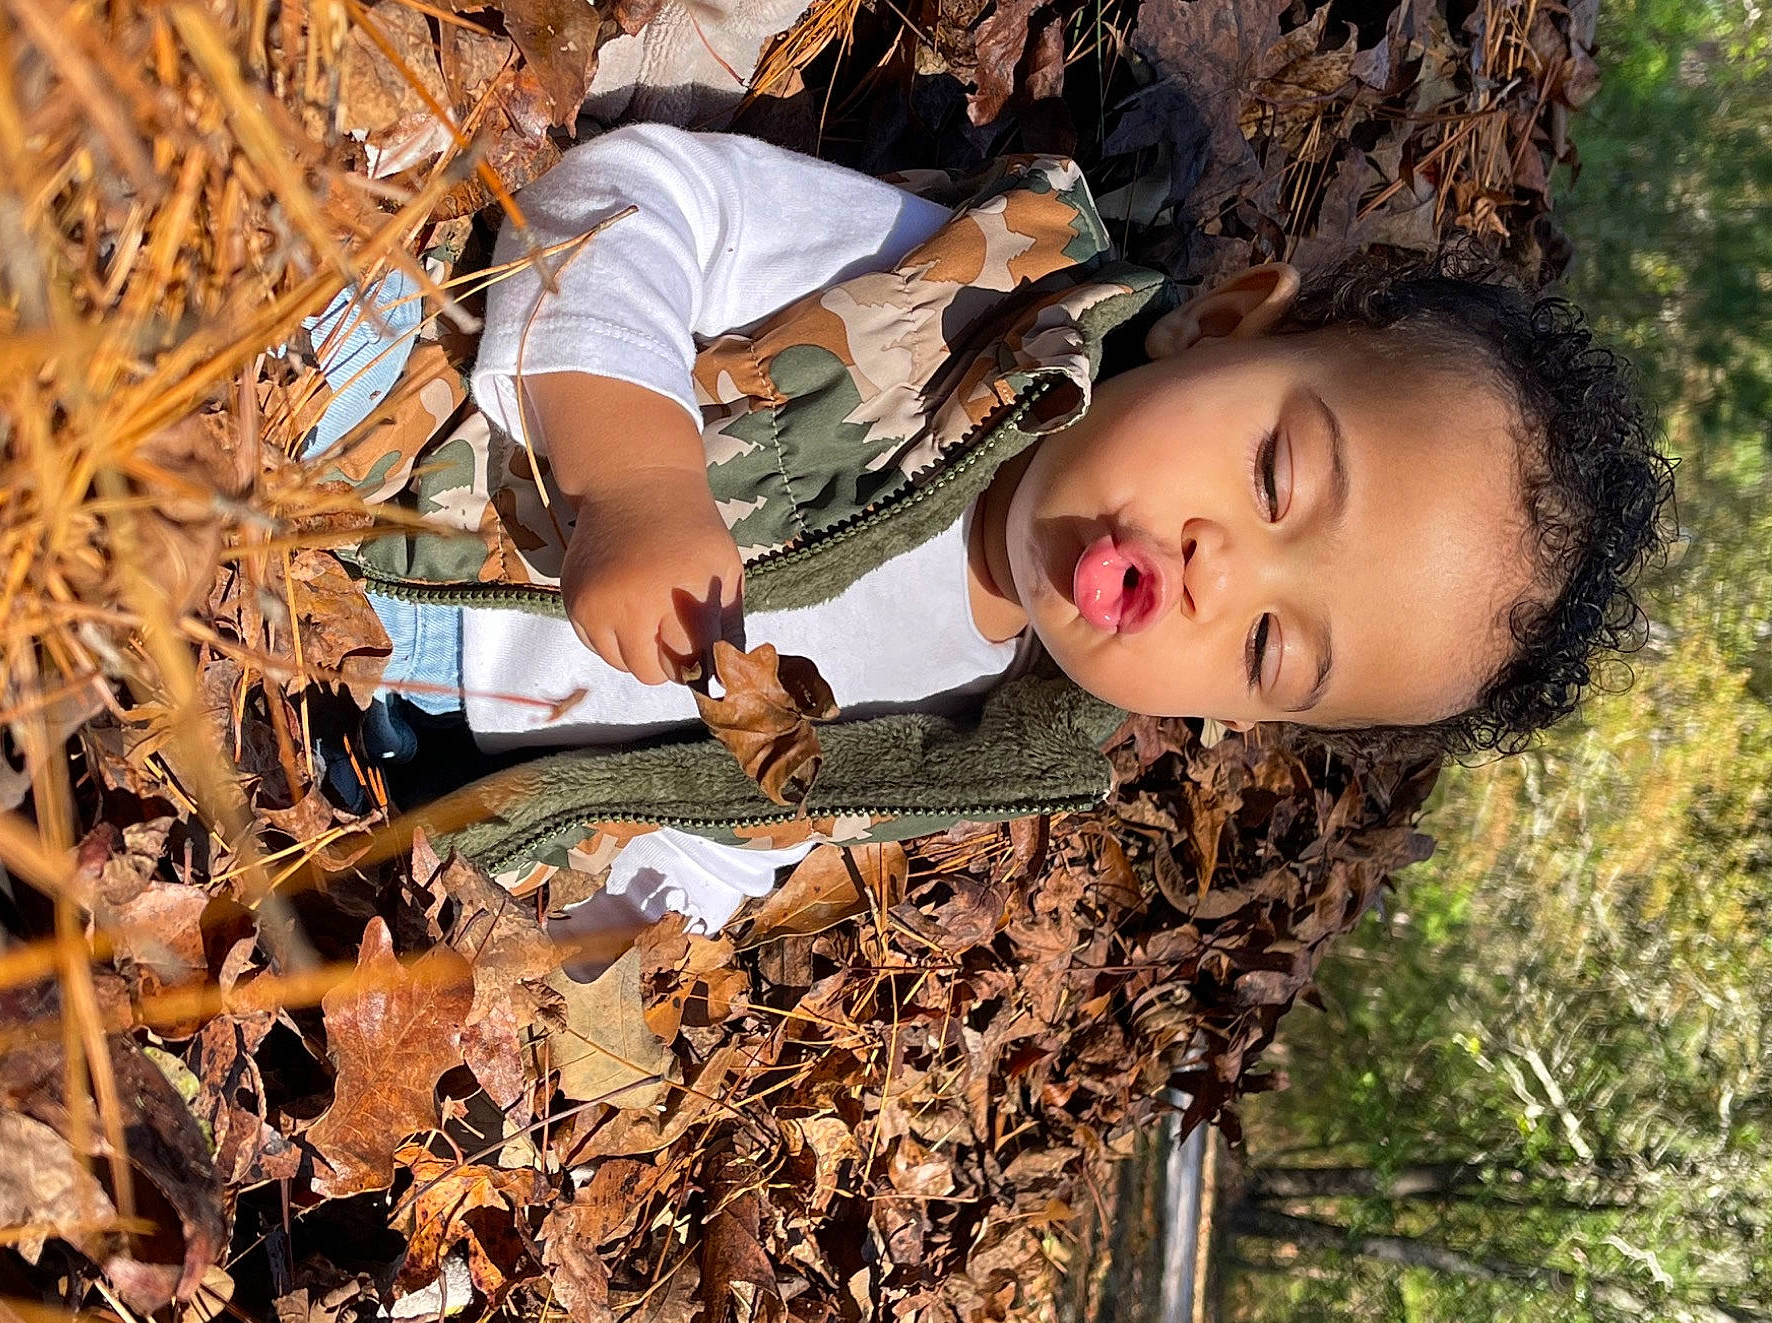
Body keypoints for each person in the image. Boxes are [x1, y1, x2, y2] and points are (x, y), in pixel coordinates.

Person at [298, 123, 1671, 949]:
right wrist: (638, 475)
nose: (1219, 571)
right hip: (418, 480)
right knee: (340, 323)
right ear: (1224, 325)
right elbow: (633, 203)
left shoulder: (976, 738)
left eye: (1266, 644)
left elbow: (752, 822)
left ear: (1243, 722)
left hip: (408, 775)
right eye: (1275, 472)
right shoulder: (949, 303)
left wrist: (626, 927)